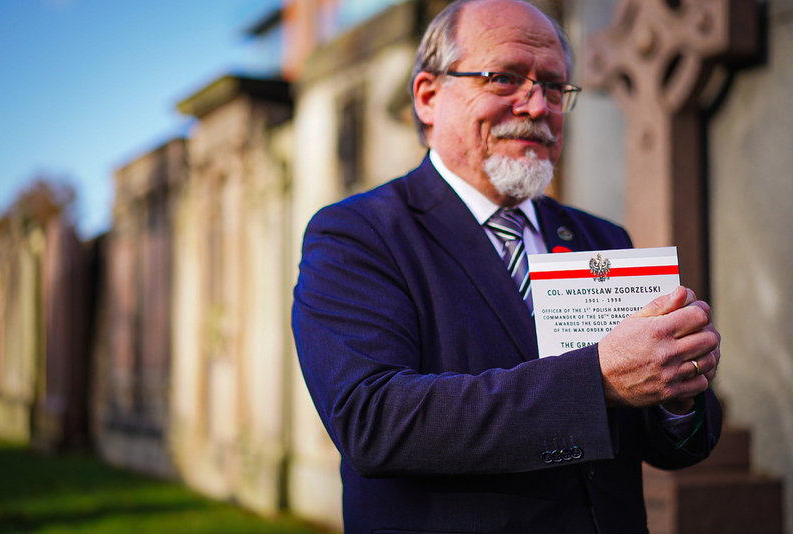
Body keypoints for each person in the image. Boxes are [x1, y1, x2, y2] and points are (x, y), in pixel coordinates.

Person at [292, 0, 722, 532]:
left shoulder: (601, 238)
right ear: (429, 96)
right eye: (504, 78)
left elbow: (672, 446)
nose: (537, 106)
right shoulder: (359, 236)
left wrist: (678, 383)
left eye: (555, 87)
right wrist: (598, 380)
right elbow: (375, 421)